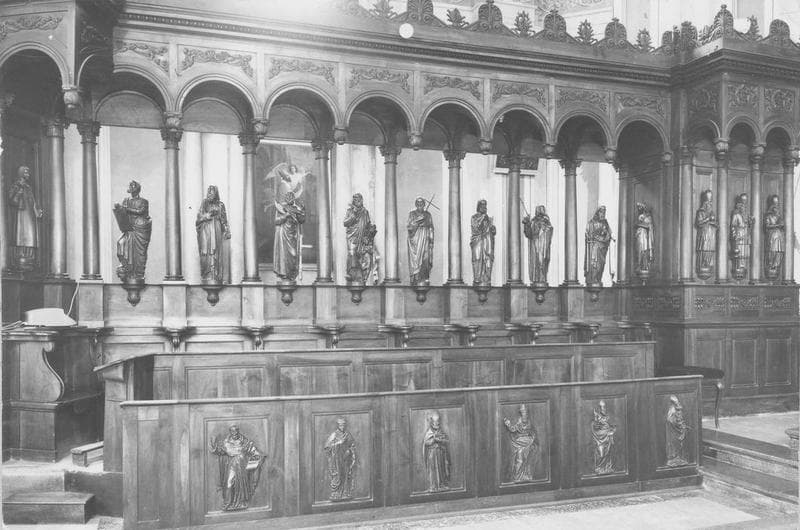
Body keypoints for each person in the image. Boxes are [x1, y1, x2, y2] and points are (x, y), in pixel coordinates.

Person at [209, 425, 264, 511]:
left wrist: (255, 460)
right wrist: (214, 445)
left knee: (241, 485)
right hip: (231, 466)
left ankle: (241, 502)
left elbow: (254, 452)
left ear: (238, 431)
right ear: (230, 432)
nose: (234, 433)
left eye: (236, 431)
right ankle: (228, 502)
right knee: (229, 483)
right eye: (232, 431)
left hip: (242, 467)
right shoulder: (226, 442)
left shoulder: (245, 442)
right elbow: (220, 451)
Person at [114, 180, 151, 282]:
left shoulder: (143, 201)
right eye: (130, 186)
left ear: (137, 189)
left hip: (141, 229)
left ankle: (138, 274)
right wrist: (119, 208)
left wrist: (127, 209)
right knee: (121, 243)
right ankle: (127, 268)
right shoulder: (126, 200)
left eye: (133, 186)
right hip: (129, 228)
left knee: (140, 253)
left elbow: (141, 211)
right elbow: (122, 212)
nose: (131, 188)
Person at [7, 166, 43, 271]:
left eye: (28, 172)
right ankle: (21, 257)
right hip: (21, 215)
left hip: (30, 215)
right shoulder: (16, 185)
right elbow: (11, 200)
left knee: (31, 235)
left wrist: (37, 211)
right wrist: (19, 191)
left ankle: (30, 258)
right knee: (20, 235)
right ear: (21, 173)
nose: (28, 174)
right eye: (26, 172)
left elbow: (33, 201)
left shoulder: (28, 187)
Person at [196, 185, 231, 283]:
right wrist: (207, 215)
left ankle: (216, 275)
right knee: (205, 252)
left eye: (211, 193)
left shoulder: (221, 205)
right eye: (208, 193)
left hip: (216, 230)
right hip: (206, 231)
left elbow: (224, 220)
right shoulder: (204, 203)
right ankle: (206, 275)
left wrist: (227, 230)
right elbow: (198, 218)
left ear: (216, 194)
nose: (209, 195)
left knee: (216, 252)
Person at [344, 193, 377, 284]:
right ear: (354, 201)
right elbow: (345, 223)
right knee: (352, 253)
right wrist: (354, 214)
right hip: (352, 236)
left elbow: (368, 224)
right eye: (356, 200)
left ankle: (363, 277)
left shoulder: (365, 212)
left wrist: (371, 229)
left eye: (360, 200)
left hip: (363, 237)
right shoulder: (350, 211)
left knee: (364, 257)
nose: (358, 202)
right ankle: (351, 273)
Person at [273, 191, 306, 281]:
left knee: (293, 254)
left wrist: (302, 210)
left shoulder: (296, 209)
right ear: (286, 199)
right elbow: (276, 221)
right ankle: (284, 274)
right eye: (288, 197)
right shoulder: (281, 208)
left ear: (293, 199)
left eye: (291, 197)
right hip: (283, 235)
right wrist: (286, 215)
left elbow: (302, 220)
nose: (290, 199)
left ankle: (291, 274)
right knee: (283, 254)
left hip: (294, 235)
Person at [323, 417, 357, 501]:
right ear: (338, 425)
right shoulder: (334, 434)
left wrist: (350, 451)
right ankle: (336, 494)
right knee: (338, 476)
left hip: (346, 459)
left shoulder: (347, 434)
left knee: (346, 475)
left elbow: (352, 445)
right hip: (337, 460)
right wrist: (339, 443)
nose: (342, 426)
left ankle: (346, 493)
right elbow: (327, 447)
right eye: (341, 425)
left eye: (344, 424)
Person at [503, 404, 538, 483]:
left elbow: (533, 432)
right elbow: (513, 429)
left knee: (527, 459)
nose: (524, 413)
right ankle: (517, 477)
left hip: (528, 442)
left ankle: (526, 475)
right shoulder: (519, 421)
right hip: (520, 442)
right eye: (523, 411)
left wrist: (532, 438)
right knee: (520, 459)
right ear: (521, 413)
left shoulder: (529, 422)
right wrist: (508, 424)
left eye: (525, 411)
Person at [407, 197, 434, 285]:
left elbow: (431, 227)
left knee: (425, 257)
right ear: (416, 205)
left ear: (424, 205)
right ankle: (416, 276)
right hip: (415, 238)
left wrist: (431, 240)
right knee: (415, 259)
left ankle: (424, 277)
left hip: (425, 238)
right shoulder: (412, 214)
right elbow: (409, 227)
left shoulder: (428, 215)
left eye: (421, 204)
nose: (420, 205)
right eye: (418, 204)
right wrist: (417, 220)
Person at [522, 205, 553, 285]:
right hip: (535, 245)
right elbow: (529, 234)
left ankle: (542, 278)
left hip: (543, 246)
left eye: (540, 211)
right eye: (538, 211)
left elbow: (549, 230)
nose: (539, 213)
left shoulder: (546, 222)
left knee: (542, 260)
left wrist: (542, 228)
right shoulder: (533, 222)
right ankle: (536, 279)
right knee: (536, 262)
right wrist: (527, 224)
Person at [584, 206, 612, 285]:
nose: (603, 214)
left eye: (604, 213)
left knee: (601, 264)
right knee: (595, 264)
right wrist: (593, 237)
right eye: (601, 212)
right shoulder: (591, 223)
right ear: (597, 213)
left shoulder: (605, 223)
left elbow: (609, 234)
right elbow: (588, 234)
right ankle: (593, 279)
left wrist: (604, 238)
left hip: (603, 247)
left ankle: (598, 279)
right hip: (595, 247)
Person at [423, 411, 451, 492]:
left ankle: (442, 485)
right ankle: (433, 486)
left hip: (440, 453)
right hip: (432, 454)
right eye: (435, 423)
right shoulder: (429, 432)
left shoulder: (441, 432)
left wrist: (440, 440)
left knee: (441, 469)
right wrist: (434, 439)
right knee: (434, 470)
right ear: (432, 423)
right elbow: (426, 442)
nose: (437, 424)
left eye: (438, 423)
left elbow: (446, 441)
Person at [470, 199, 496, 285]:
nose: (484, 208)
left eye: (485, 206)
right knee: (477, 258)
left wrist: (493, 229)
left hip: (487, 242)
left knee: (487, 259)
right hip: (477, 241)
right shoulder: (474, 217)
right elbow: (476, 229)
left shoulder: (488, 218)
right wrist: (482, 218)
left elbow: (491, 231)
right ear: (479, 207)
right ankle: (477, 278)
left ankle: (486, 278)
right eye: (482, 206)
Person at [695, 189, 717, 279]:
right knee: (703, 250)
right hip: (703, 235)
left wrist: (714, 223)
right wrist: (708, 219)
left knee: (710, 251)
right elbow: (698, 223)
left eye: (710, 202)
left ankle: (708, 265)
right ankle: (703, 265)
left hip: (711, 235)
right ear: (704, 203)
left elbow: (716, 223)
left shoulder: (712, 212)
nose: (709, 204)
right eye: (708, 202)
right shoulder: (701, 212)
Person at [591, 400, 616, 475]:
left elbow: (613, 427)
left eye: (604, 407)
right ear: (599, 408)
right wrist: (606, 432)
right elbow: (595, 430)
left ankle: (607, 467)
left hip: (607, 440)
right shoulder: (596, 419)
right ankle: (599, 468)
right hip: (600, 440)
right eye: (602, 407)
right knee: (601, 454)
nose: (603, 409)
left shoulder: (607, 418)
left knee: (608, 454)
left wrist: (612, 431)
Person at [764, 195, 785, 280]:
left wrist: (781, 225)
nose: (776, 209)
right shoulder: (768, 216)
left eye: (777, 206)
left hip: (779, 237)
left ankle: (776, 266)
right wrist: (777, 225)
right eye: (774, 207)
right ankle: (771, 266)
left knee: (778, 252)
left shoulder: (779, 217)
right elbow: (767, 226)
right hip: (772, 236)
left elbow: (783, 226)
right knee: (771, 252)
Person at [666, 395, 690, 467]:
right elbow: (670, 420)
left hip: (678, 431)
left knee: (679, 444)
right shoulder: (672, 411)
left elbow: (679, 419)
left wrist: (682, 426)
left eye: (677, 403)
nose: (677, 404)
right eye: (675, 403)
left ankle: (678, 458)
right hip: (673, 431)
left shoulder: (677, 410)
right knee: (673, 444)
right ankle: (674, 458)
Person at [634, 202, 654, 276]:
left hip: (645, 237)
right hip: (639, 236)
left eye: (640, 207)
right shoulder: (640, 217)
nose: (639, 209)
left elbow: (649, 226)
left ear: (643, 208)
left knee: (645, 250)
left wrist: (640, 225)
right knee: (639, 250)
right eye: (638, 208)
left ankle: (645, 266)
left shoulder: (648, 217)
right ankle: (639, 265)